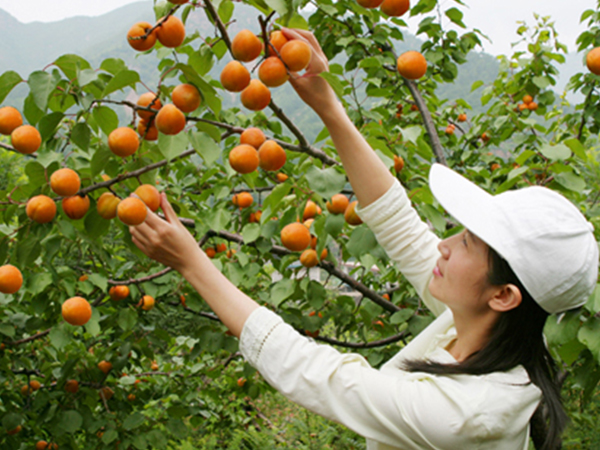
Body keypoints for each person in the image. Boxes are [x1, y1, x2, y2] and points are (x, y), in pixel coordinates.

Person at [128, 29, 599, 450]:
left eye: (468, 244)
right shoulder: (476, 332)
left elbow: (316, 374)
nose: (443, 244)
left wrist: (192, 263)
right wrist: (326, 104)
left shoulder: (468, 414)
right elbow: (399, 223)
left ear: (503, 295)